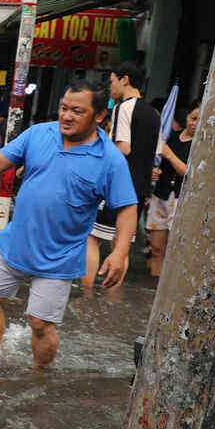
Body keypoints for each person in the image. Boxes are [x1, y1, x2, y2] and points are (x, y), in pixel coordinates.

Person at [0, 79, 137, 368]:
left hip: (59, 257)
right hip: (15, 243)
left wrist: (119, 253)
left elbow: (127, 208)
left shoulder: (110, 160)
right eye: (64, 108)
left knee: (39, 324)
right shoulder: (38, 134)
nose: (67, 116)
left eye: (77, 111)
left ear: (98, 116)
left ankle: (38, 376)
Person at [83, 62, 159, 288]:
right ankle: (112, 297)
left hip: (118, 184)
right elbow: (156, 151)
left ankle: (86, 294)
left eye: (112, 81)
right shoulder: (153, 113)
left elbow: (123, 148)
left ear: (125, 80)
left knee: (91, 237)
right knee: (122, 244)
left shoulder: (123, 108)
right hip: (140, 187)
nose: (111, 87)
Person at [146, 104, 200, 277]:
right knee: (155, 246)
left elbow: (188, 172)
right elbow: (159, 161)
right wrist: (155, 171)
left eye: (199, 120)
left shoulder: (202, 144)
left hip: (180, 199)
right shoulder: (172, 137)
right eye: (192, 118)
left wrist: (169, 155)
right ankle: (153, 282)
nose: (194, 123)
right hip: (161, 194)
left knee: (175, 249)